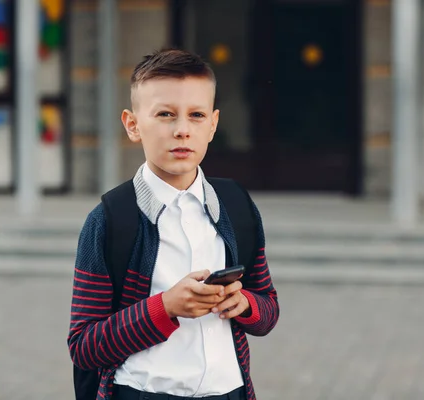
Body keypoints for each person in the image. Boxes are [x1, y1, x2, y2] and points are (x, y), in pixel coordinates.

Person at [67, 48, 280, 400]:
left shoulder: (237, 207)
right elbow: (84, 347)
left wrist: (244, 303)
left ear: (212, 125)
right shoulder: (109, 221)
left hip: (230, 392)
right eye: (165, 114)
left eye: (196, 115)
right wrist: (164, 306)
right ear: (133, 125)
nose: (183, 130)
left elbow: (268, 309)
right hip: (142, 392)